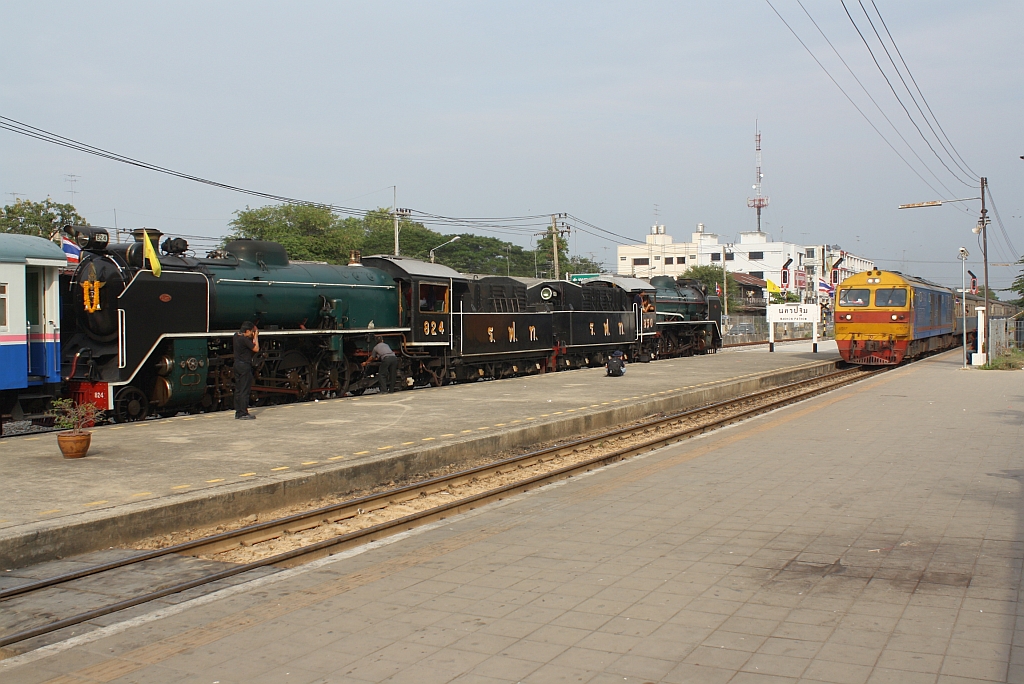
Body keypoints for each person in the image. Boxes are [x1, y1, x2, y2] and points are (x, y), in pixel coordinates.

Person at [233, 321, 259, 419]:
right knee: (245, 390)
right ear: (247, 331)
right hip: (244, 366)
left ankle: (238, 412)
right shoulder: (244, 340)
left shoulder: (235, 336)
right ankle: (243, 413)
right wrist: (256, 336)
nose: (252, 333)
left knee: (238, 389)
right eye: (251, 331)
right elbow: (256, 348)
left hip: (237, 365)